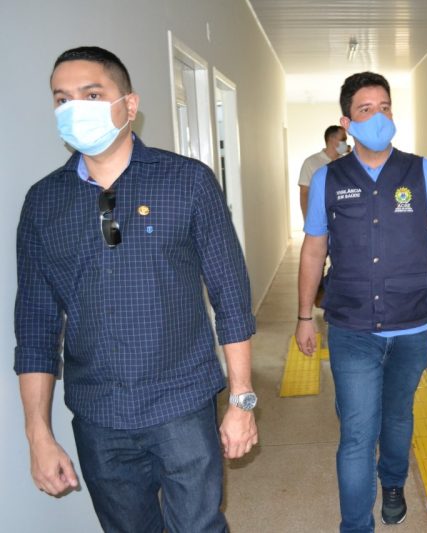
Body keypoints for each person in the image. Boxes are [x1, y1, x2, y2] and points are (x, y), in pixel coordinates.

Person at [14, 46, 258, 532]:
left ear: (129, 105)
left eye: (91, 95)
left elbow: (231, 298)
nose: (73, 108)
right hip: (99, 416)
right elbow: (36, 329)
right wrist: (37, 435)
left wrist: (241, 401)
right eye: (62, 99)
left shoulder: (187, 182)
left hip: (181, 405)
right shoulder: (43, 203)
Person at [295, 72, 427, 532]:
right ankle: (355, 525)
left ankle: (392, 482)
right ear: (347, 123)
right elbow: (313, 250)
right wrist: (305, 316)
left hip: (411, 323)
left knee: (397, 416)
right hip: (351, 327)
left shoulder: (422, 171)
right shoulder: (328, 179)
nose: (378, 116)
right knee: (356, 432)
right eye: (366, 109)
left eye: (384, 106)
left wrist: (403, 258)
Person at [298, 125, 348, 219]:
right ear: (332, 139)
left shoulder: (347, 162)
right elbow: (304, 194)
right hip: (320, 218)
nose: (345, 143)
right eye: (343, 139)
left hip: (343, 218)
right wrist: (308, 220)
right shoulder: (310, 162)